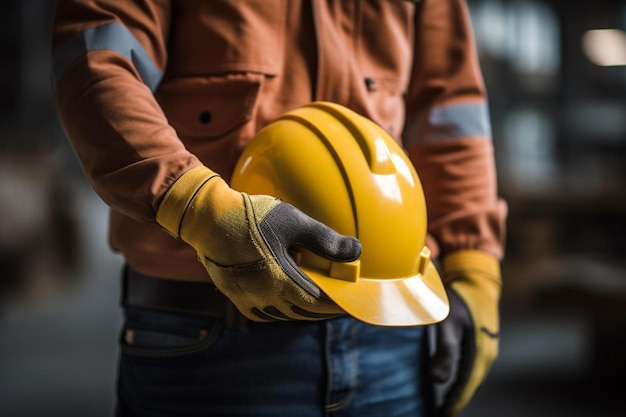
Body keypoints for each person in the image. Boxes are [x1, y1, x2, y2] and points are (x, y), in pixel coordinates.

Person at [51, 1, 507, 416]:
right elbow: (96, 59)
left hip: (391, 326)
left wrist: (475, 266)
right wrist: (199, 206)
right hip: (209, 335)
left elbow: (449, 109)